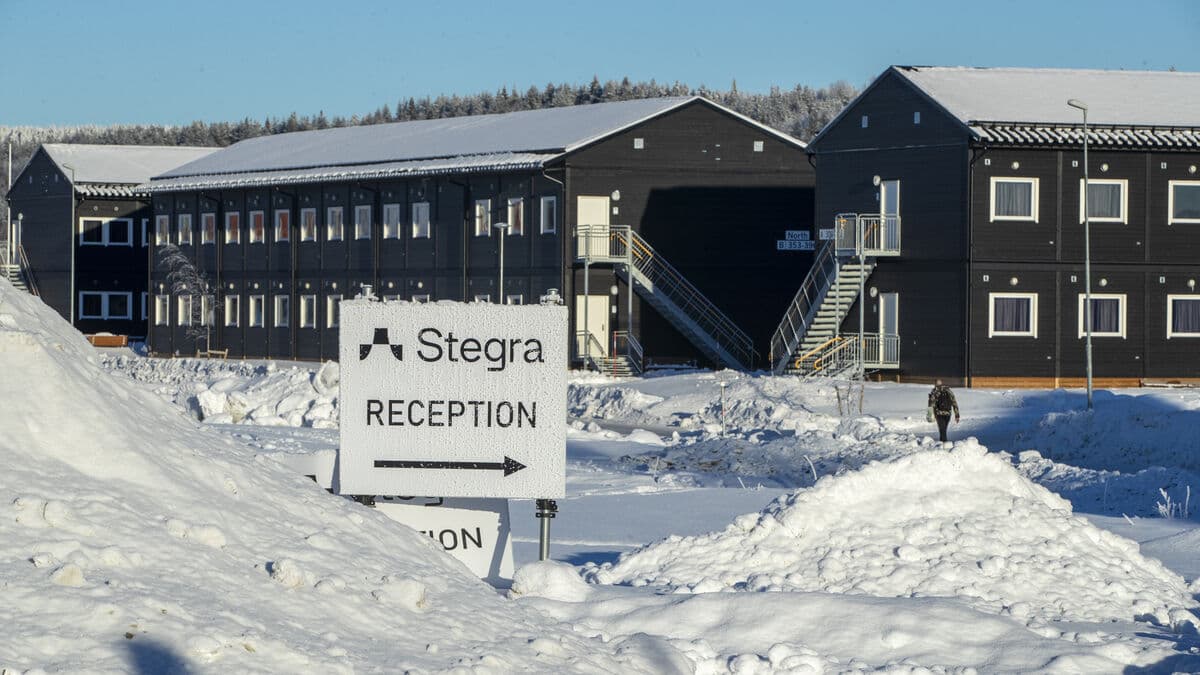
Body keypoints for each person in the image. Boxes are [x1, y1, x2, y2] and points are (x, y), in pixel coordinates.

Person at [926, 379, 960, 443]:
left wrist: (929, 415)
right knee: (944, 430)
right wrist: (957, 415)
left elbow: (931, 404)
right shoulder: (948, 390)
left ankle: (944, 445)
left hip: (939, 413)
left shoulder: (935, 391)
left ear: (935, 384)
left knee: (942, 430)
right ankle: (943, 444)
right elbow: (954, 402)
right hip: (948, 413)